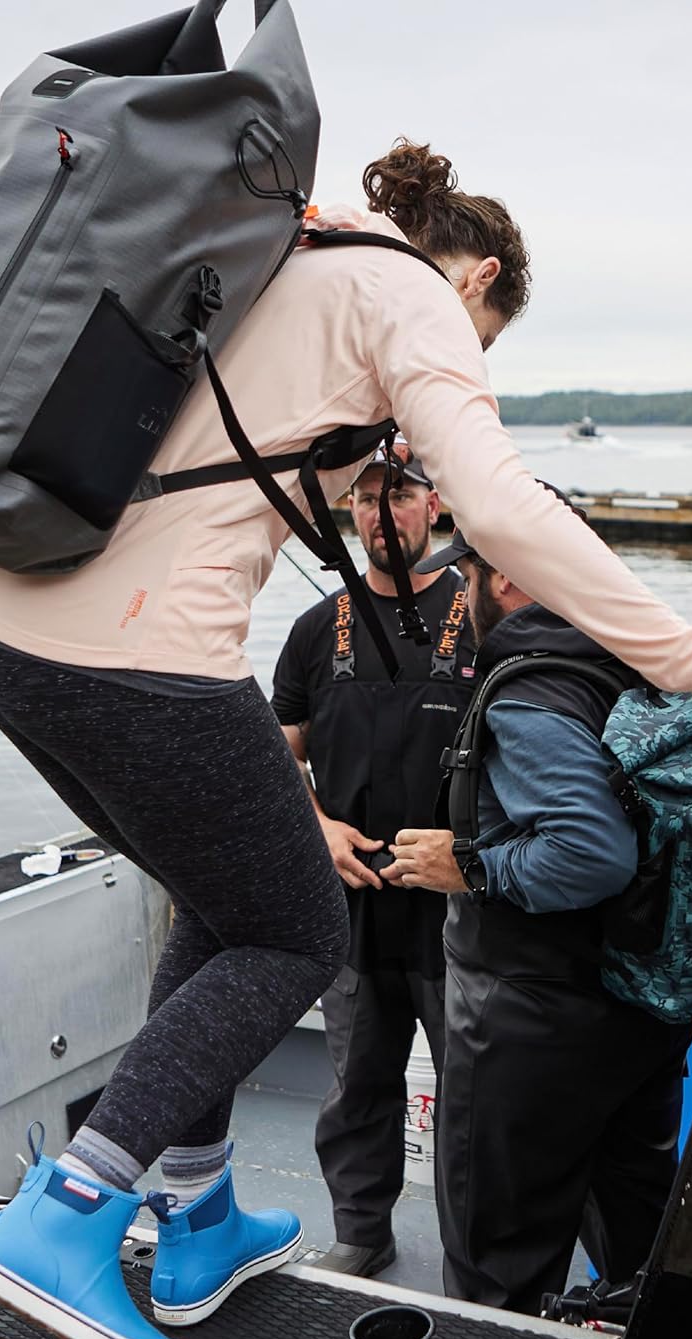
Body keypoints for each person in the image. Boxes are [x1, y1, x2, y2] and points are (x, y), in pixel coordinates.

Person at [0, 138, 692, 1339]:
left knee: (221, 907)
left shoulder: (285, 252)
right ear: (482, 279)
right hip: (132, 649)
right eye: (487, 342)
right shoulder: (412, 290)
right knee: (295, 935)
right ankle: (69, 1217)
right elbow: (501, 504)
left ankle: (197, 1217)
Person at [386, 514, 692, 1314]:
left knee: (497, 1260)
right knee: (637, 1236)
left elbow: (591, 853)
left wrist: (470, 866)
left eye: (469, 574)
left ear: (510, 579)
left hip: (531, 1020)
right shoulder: (636, 657)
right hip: (639, 1004)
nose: (460, 594)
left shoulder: (532, 691)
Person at [272, 446, 474, 1278]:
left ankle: (479, 1256)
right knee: (358, 1082)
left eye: (399, 494)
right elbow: (277, 750)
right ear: (347, 511)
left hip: (457, 907)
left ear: (435, 507)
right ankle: (362, 1232)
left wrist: (471, 854)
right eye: (365, 497)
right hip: (353, 901)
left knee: (473, 1093)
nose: (381, 512)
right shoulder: (317, 628)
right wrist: (316, 827)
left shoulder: (483, 615)